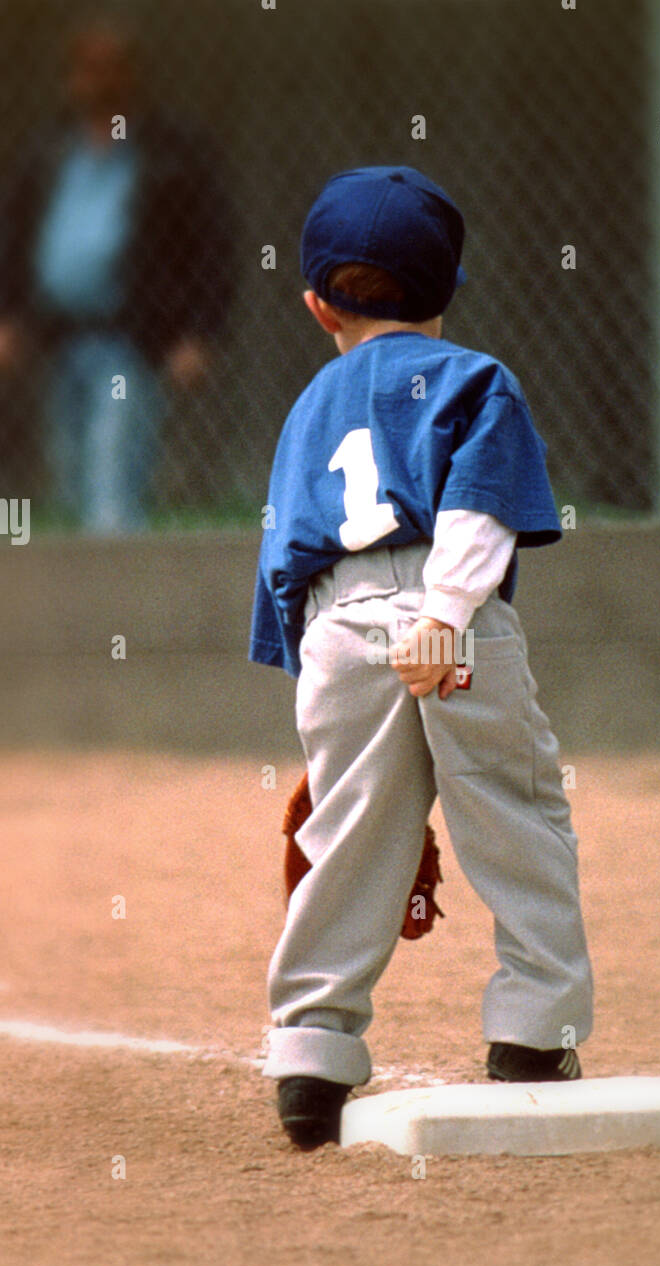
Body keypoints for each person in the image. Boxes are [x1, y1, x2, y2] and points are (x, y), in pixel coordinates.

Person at [249, 166, 594, 1150]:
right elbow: (480, 505)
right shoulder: (475, 378)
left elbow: (285, 560)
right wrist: (443, 614)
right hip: (453, 622)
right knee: (515, 814)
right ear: (447, 290)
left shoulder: (307, 406)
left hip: (335, 628)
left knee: (350, 837)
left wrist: (330, 735)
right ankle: (533, 1033)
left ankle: (310, 1053)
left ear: (315, 303)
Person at [0, 19, 234, 532]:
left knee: (112, 477)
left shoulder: (169, 153)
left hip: (129, 339)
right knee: (68, 478)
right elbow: (15, 237)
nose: (98, 80)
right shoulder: (52, 151)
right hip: (59, 336)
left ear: (133, 75)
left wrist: (198, 331)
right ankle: (80, 603)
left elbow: (213, 247)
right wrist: (11, 316)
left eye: (111, 68)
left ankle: (120, 593)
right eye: (88, 68)